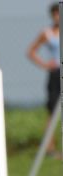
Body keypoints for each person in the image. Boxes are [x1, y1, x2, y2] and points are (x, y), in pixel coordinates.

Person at [27, 3, 60, 157]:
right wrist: (45, 64)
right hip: (55, 74)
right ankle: (50, 148)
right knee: (52, 111)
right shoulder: (46, 33)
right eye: (55, 14)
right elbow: (31, 51)